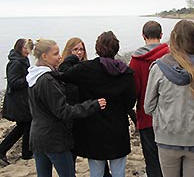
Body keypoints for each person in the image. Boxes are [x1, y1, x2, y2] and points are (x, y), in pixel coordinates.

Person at [144, 19, 194, 177]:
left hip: (167, 138)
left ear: (173, 38)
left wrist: (166, 115)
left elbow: (148, 107)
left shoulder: (158, 68)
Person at [26, 39, 106, 177]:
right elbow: (63, 111)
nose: (60, 57)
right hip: (54, 139)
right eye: (56, 54)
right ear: (44, 57)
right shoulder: (47, 81)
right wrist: (93, 105)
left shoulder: (33, 76)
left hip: (38, 137)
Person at [60, 31, 136, 177]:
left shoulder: (86, 69)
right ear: (116, 49)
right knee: (118, 171)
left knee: (96, 172)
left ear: (97, 48)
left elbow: (64, 73)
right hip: (117, 127)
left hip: (93, 128)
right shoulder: (126, 72)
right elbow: (130, 102)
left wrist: (71, 58)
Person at [59, 37, 112, 177]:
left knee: (96, 151)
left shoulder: (87, 68)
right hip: (71, 116)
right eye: (75, 49)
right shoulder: (63, 69)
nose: (79, 52)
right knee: (71, 154)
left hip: (88, 112)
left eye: (81, 49)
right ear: (68, 51)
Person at [129, 20, 169, 177]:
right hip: (169, 114)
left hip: (146, 116)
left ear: (143, 36)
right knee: (169, 158)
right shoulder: (170, 55)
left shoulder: (136, 60)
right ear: (161, 35)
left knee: (152, 158)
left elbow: (134, 91)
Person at [0, 39, 34, 166]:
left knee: (24, 126)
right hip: (18, 101)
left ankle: (26, 153)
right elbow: (13, 83)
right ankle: (24, 153)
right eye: (25, 48)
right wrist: (29, 78)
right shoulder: (15, 63)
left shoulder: (22, 60)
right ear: (20, 48)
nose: (28, 50)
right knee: (25, 124)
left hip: (22, 100)